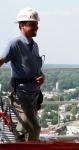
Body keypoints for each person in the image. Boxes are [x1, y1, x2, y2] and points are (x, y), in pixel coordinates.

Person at [0, 7, 45, 141]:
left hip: (32, 95)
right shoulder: (14, 43)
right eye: (33, 24)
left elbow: (36, 69)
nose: (36, 27)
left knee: (31, 128)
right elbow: (1, 60)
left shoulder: (34, 45)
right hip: (20, 94)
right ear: (22, 26)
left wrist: (42, 77)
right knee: (30, 128)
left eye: (36, 24)